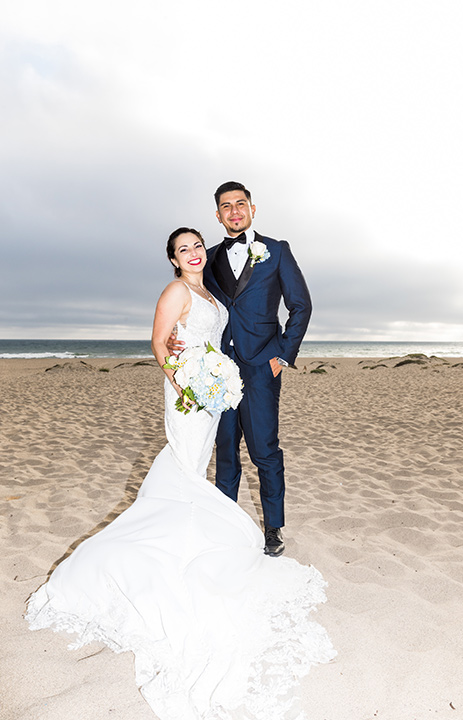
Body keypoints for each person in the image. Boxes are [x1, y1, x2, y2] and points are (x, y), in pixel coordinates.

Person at [26, 228, 334, 720]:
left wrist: (230, 372)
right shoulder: (175, 289)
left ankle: (206, 539)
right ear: (172, 258)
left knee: (198, 469)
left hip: (213, 391)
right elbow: (158, 342)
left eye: (196, 245)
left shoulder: (207, 287)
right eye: (183, 248)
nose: (193, 253)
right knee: (187, 469)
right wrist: (188, 382)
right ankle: (164, 556)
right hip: (192, 394)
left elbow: (246, 321)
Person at [168, 182, 312, 557]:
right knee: (226, 453)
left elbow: (301, 306)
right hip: (216, 372)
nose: (234, 211)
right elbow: (190, 302)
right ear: (217, 215)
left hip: (262, 367)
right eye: (226, 207)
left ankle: (274, 528)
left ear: (251, 209)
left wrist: (281, 356)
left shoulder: (277, 251)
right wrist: (177, 343)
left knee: (265, 451)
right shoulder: (208, 256)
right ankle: (224, 524)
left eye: (240, 204)